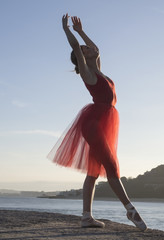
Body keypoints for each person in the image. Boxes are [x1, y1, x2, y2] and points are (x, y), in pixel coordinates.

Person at [48, 13, 147, 231]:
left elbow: (97, 49)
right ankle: (130, 209)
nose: (87, 48)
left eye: (87, 47)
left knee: (93, 172)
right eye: (84, 49)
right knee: (111, 167)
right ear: (81, 58)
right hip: (93, 124)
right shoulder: (87, 73)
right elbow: (77, 48)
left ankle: (86, 217)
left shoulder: (98, 68)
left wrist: (81, 31)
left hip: (103, 122)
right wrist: (67, 31)